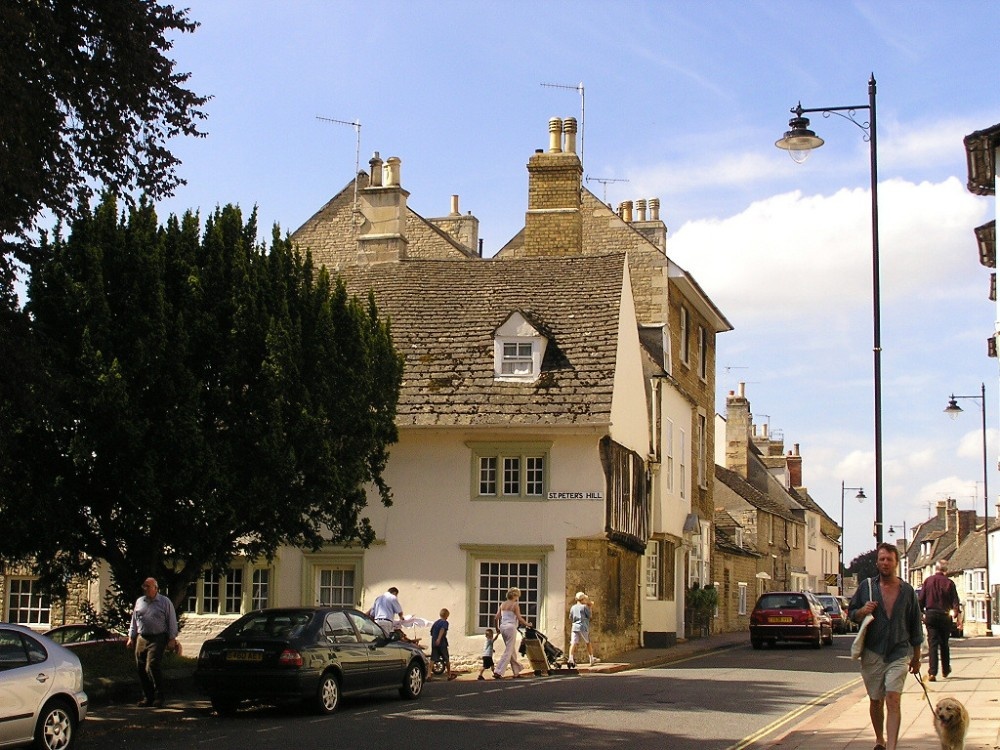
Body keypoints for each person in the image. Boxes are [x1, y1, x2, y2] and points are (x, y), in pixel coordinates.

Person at [848, 542, 924, 750]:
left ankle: (891, 746)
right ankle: (879, 739)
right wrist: (862, 611)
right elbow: (851, 614)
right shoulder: (867, 587)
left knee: (893, 698)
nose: (885, 562)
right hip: (872, 652)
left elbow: (915, 625)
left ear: (896, 562)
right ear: (877, 563)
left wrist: (916, 657)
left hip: (899, 652)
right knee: (876, 700)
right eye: (881, 559)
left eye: (889, 559)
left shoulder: (907, 591)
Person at [126, 577, 179, 708]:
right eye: (144, 586)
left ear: (155, 588)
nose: (145, 589)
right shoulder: (140, 601)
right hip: (142, 637)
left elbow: (172, 620)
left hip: (158, 637)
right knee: (141, 667)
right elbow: (134, 620)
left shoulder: (164, 602)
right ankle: (147, 697)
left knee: (152, 665)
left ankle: (159, 696)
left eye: (148, 586)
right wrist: (131, 637)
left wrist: (172, 638)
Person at [918, 559, 961, 681]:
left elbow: (921, 599)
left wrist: (921, 614)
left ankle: (932, 672)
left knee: (932, 644)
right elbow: (955, 601)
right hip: (944, 615)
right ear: (945, 570)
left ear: (935, 569)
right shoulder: (949, 583)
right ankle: (945, 670)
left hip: (931, 615)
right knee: (944, 643)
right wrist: (956, 614)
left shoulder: (928, 581)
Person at [492, 586, 531, 678]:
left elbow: (496, 618)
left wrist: (497, 628)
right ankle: (498, 671)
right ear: (515, 596)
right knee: (508, 651)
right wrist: (528, 624)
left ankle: (516, 672)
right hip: (511, 627)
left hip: (503, 627)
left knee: (511, 650)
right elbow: (519, 618)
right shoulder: (515, 605)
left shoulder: (502, 604)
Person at [567, 591, 599, 667]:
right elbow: (590, 616)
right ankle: (591, 658)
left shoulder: (573, 607)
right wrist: (590, 607)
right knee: (588, 642)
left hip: (575, 626)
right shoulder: (584, 607)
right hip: (583, 626)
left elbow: (570, 617)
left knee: (573, 642)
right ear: (583, 599)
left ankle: (570, 658)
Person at [430, 608, 457, 680]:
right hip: (442, 643)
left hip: (434, 643)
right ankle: (449, 675)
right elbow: (442, 629)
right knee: (446, 659)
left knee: (433, 659)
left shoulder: (436, 623)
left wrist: (435, 639)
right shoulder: (445, 622)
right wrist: (439, 639)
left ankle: (428, 675)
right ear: (447, 616)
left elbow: (431, 632)